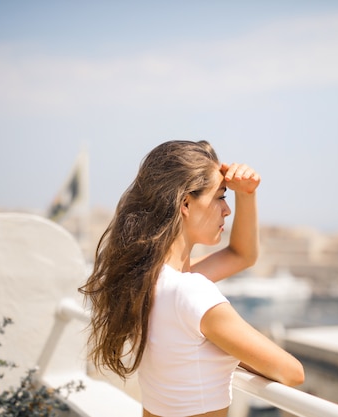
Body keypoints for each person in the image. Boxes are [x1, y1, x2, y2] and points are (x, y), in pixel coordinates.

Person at [79, 140, 304, 417]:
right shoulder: (192, 291)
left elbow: (241, 255)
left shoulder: (146, 277)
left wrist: (246, 194)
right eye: (221, 196)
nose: (227, 209)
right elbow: (292, 372)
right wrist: (229, 350)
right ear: (185, 203)